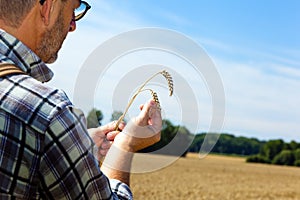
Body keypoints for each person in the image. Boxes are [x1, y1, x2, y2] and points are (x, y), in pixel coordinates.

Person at [0, 0, 162, 199]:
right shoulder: (48, 112)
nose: (73, 25)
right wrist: (124, 146)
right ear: (48, 7)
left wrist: (72, 142)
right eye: (73, 9)